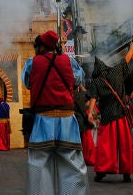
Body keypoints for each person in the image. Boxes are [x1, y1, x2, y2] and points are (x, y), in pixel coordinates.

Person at [21, 30, 88, 194]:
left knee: (39, 165)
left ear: (42, 46)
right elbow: (78, 79)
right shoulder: (69, 61)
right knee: (72, 164)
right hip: (67, 120)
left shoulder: (32, 62)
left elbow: (27, 82)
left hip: (43, 119)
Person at [86, 38, 133, 183]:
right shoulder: (116, 71)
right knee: (125, 146)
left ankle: (102, 172)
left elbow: (93, 98)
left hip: (108, 116)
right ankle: (127, 172)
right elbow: (128, 58)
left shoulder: (96, 81)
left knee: (105, 146)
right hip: (121, 116)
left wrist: (90, 113)